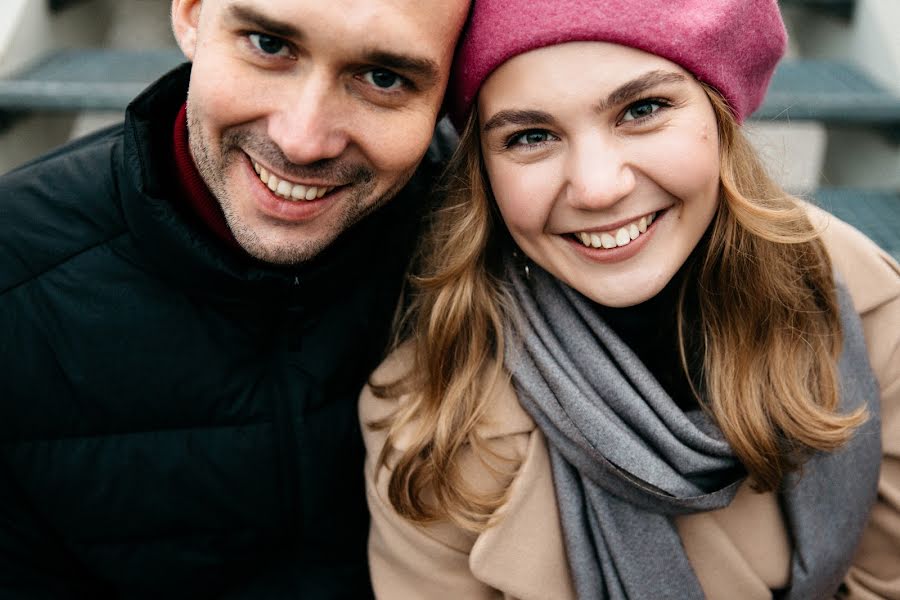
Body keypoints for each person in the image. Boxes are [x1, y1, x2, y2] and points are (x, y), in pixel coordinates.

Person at [361, 0, 900, 598]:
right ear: (484, 174)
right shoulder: (435, 416)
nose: (597, 188)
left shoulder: (863, 303)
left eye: (643, 109)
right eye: (531, 136)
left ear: (719, 115)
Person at [0, 0, 469, 596]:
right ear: (192, 15)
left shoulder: (496, 249)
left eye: (383, 78)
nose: (301, 141)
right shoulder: (14, 281)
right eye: (270, 45)